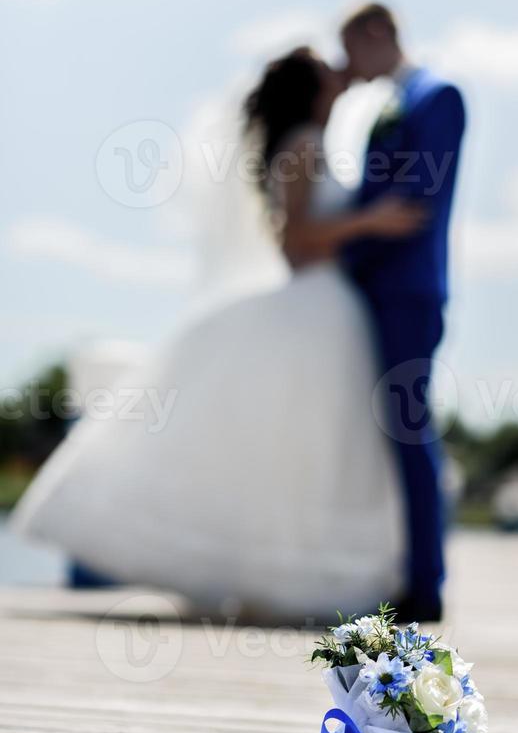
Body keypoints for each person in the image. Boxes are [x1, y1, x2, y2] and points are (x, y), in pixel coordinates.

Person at [11, 48, 426, 621]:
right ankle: (289, 581)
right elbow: (296, 242)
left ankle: (279, 579)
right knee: (302, 446)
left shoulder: (306, 141)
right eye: (330, 75)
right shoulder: (304, 143)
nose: (341, 78)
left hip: (324, 305)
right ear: (312, 91)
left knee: (300, 449)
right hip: (316, 302)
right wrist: (371, 222)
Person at [340, 4, 466, 621]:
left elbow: (414, 203)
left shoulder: (437, 96)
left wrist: (336, 250)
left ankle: (426, 584)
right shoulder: (387, 108)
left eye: (350, 49)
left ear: (376, 33)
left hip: (407, 293)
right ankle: (396, 567)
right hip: (372, 290)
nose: (348, 67)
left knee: (408, 430)